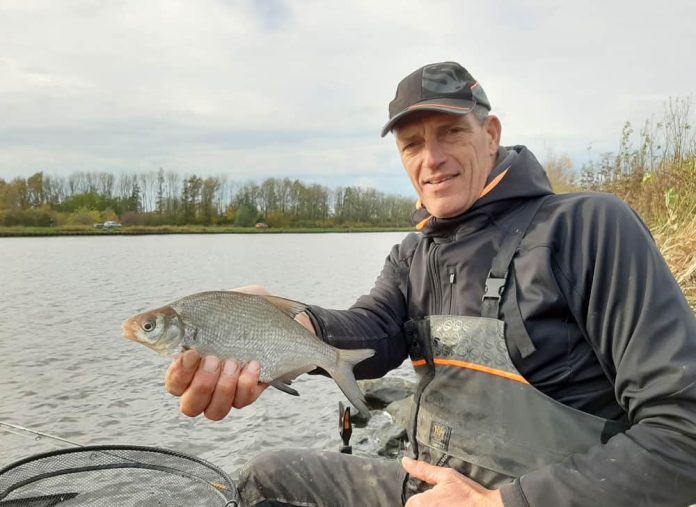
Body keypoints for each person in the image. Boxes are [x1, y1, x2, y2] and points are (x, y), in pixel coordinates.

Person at [164, 62, 696, 506]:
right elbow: (371, 333)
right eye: (412, 143)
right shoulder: (415, 252)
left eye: (450, 133)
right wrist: (289, 323)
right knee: (265, 476)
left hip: (538, 496)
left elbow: (683, 432)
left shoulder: (587, 227)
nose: (430, 159)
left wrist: (504, 504)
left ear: (491, 136)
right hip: (428, 486)